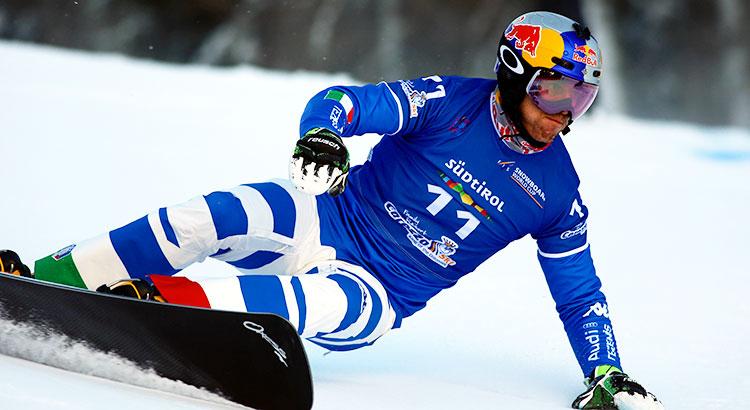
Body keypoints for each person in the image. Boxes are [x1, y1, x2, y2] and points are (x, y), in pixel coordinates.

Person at [1, 11, 664, 409]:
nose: (563, 116)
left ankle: (152, 299)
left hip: (376, 292)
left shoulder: (556, 192)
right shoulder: (445, 101)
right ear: (515, 75)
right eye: (554, 94)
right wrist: (323, 138)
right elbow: (346, 107)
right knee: (217, 213)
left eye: (580, 101)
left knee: (303, 302)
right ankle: (53, 276)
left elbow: (580, 297)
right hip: (329, 219)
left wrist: (605, 370)